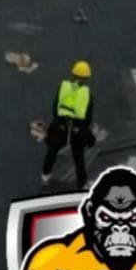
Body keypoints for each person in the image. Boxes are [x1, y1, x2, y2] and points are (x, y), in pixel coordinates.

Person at [40, 61, 94, 191]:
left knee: (52, 150)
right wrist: (83, 130)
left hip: (60, 125)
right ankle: (82, 183)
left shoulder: (63, 86)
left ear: (73, 74)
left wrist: (58, 121)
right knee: (78, 157)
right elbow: (88, 117)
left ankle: (45, 176)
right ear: (86, 78)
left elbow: (55, 105)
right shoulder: (87, 93)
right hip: (76, 127)